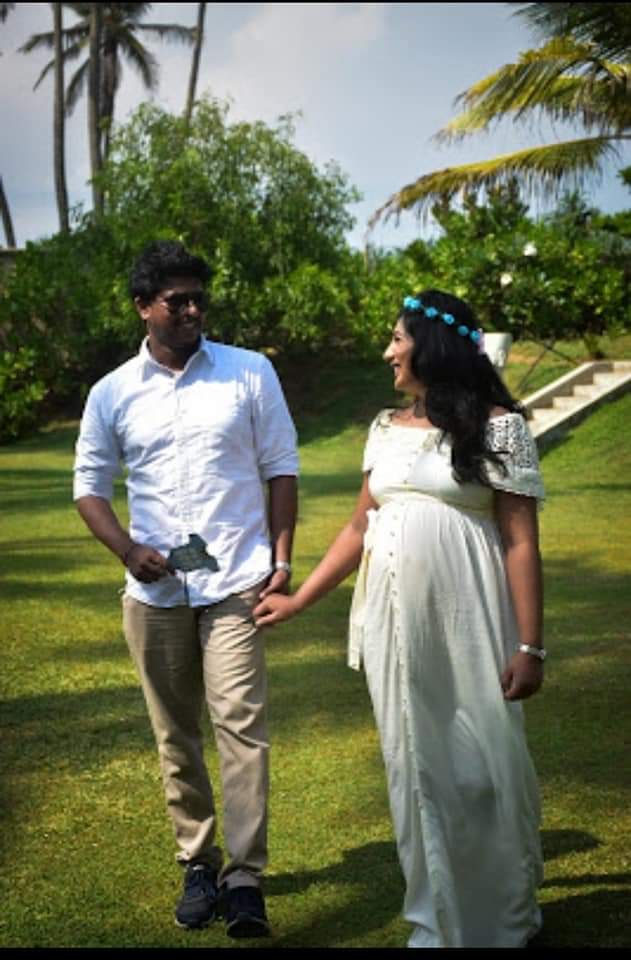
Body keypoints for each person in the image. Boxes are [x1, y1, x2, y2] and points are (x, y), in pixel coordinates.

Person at [254, 290, 545, 948]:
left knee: (481, 762)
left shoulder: (499, 428)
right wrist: (300, 599)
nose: (387, 352)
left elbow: (520, 541)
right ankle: (434, 920)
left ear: (431, 346)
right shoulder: (384, 427)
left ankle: (502, 917)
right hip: (393, 624)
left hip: (471, 617)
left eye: (397, 339)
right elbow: (360, 525)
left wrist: (530, 646)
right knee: (412, 761)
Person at [73, 240, 299, 939]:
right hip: (155, 595)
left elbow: (281, 468)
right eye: (178, 301)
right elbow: (88, 487)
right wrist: (127, 550)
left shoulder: (249, 372)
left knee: (240, 727)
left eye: (199, 297)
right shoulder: (112, 392)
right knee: (175, 734)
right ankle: (198, 863)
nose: (194, 310)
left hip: (235, 582)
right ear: (144, 307)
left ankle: (245, 877)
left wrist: (282, 559)